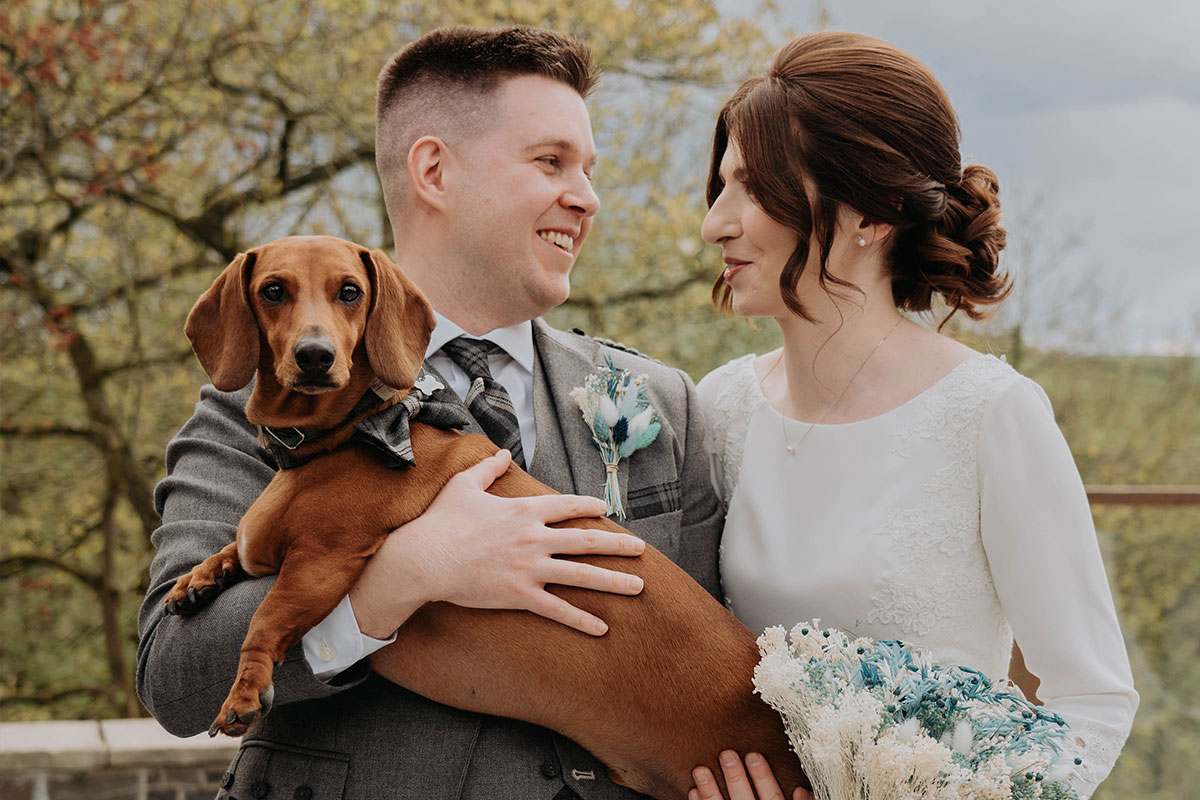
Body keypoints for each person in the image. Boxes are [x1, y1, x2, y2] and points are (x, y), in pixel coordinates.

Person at [136, 26, 723, 800]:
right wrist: (400, 578)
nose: (587, 197)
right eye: (551, 162)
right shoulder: (259, 406)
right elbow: (173, 674)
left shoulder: (662, 402)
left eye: (589, 169)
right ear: (435, 171)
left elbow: (707, 665)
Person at [687, 32, 1138, 800]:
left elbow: (1092, 698)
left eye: (754, 188)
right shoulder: (719, 408)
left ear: (873, 212)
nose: (716, 224)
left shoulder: (990, 415)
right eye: (721, 186)